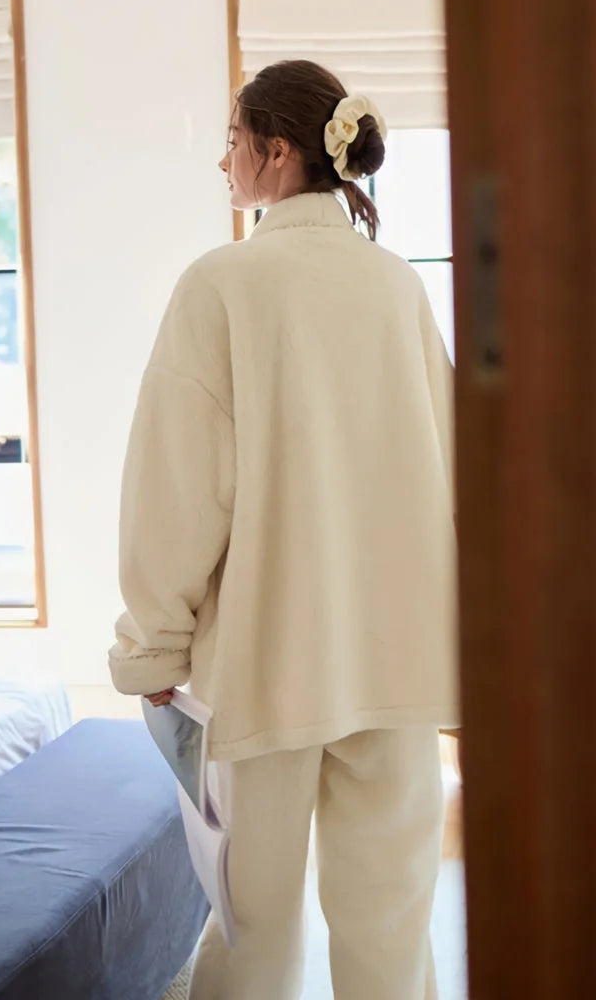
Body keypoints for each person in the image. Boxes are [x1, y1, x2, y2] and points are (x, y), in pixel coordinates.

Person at [107, 60, 458, 1000]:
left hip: (264, 665)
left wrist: (154, 642)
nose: (222, 161)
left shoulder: (222, 285)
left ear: (274, 152)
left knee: (251, 931)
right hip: (396, 664)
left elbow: (178, 488)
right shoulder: (397, 286)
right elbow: (456, 474)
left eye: (232, 141)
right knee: (391, 931)